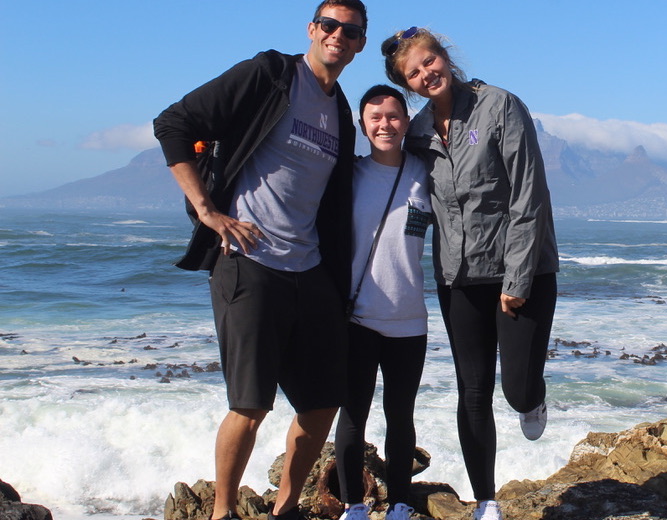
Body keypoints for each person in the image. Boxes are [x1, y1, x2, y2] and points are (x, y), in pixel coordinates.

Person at [152, 3, 367, 520]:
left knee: (321, 404)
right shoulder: (272, 74)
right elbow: (173, 122)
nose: (339, 35)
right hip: (248, 260)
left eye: (352, 31)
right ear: (313, 30)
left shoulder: (340, 109)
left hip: (309, 269)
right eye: (331, 25)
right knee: (250, 405)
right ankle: (222, 511)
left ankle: (285, 509)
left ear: (359, 44)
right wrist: (208, 211)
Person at [380, 27, 559, 520]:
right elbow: (395, 186)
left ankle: (533, 398)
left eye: (429, 61)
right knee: (472, 389)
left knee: (517, 389)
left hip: (521, 270)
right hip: (457, 277)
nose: (425, 74)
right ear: (408, 83)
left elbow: (529, 195)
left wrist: (517, 279)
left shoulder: (499, 106)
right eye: (413, 73)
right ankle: (487, 500)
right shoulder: (417, 133)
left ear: (445, 57)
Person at [333, 85, 430, 520]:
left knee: (401, 416)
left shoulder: (424, 173)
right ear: (362, 125)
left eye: (393, 117)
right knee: (353, 415)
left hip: (409, 319)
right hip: (358, 318)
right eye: (375, 118)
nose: (384, 125)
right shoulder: (348, 176)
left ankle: (400, 502)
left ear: (406, 122)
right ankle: (353, 503)